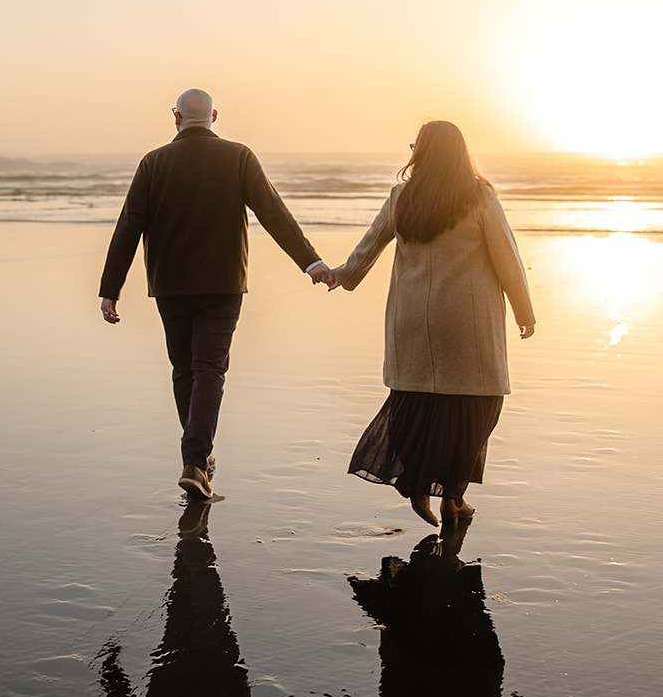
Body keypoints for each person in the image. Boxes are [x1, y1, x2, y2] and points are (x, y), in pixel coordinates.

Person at [99, 88, 335, 500]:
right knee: (210, 368)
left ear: (176, 118)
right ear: (214, 116)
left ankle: (197, 457)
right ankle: (196, 459)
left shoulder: (153, 163)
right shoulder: (238, 156)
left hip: (169, 285)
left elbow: (129, 227)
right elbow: (272, 210)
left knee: (184, 369)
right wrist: (310, 262)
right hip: (224, 283)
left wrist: (110, 289)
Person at [332, 120, 535, 527]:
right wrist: (523, 310)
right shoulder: (478, 196)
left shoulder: (401, 196)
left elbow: (369, 245)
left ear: (420, 152)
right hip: (467, 323)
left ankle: (420, 487)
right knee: (475, 407)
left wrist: (342, 275)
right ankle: (453, 497)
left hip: (411, 322)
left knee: (417, 403)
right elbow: (506, 258)